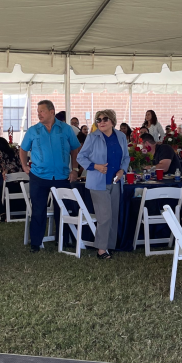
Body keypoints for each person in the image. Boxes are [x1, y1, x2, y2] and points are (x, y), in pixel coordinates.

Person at [19, 99, 81, 252]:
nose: (39, 114)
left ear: (51, 112)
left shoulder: (66, 129)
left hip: (62, 176)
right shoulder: (33, 130)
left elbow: (75, 149)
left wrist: (74, 169)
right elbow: (23, 149)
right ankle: (36, 243)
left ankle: (63, 240)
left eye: (42, 111)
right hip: (38, 176)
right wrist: (24, 165)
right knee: (38, 209)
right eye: (38, 111)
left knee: (63, 209)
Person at [76, 109, 130, 259]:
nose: (101, 122)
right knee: (104, 216)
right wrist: (95, 166)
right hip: (98, 183)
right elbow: (81, 157)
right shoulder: (92, 137)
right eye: (98, 120)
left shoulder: (121, 136)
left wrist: (122, 170)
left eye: (105, 119)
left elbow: (126, 157)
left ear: (112, 121)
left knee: (113, 216)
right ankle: (101, 250)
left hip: (116, 182)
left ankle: (109, 246)